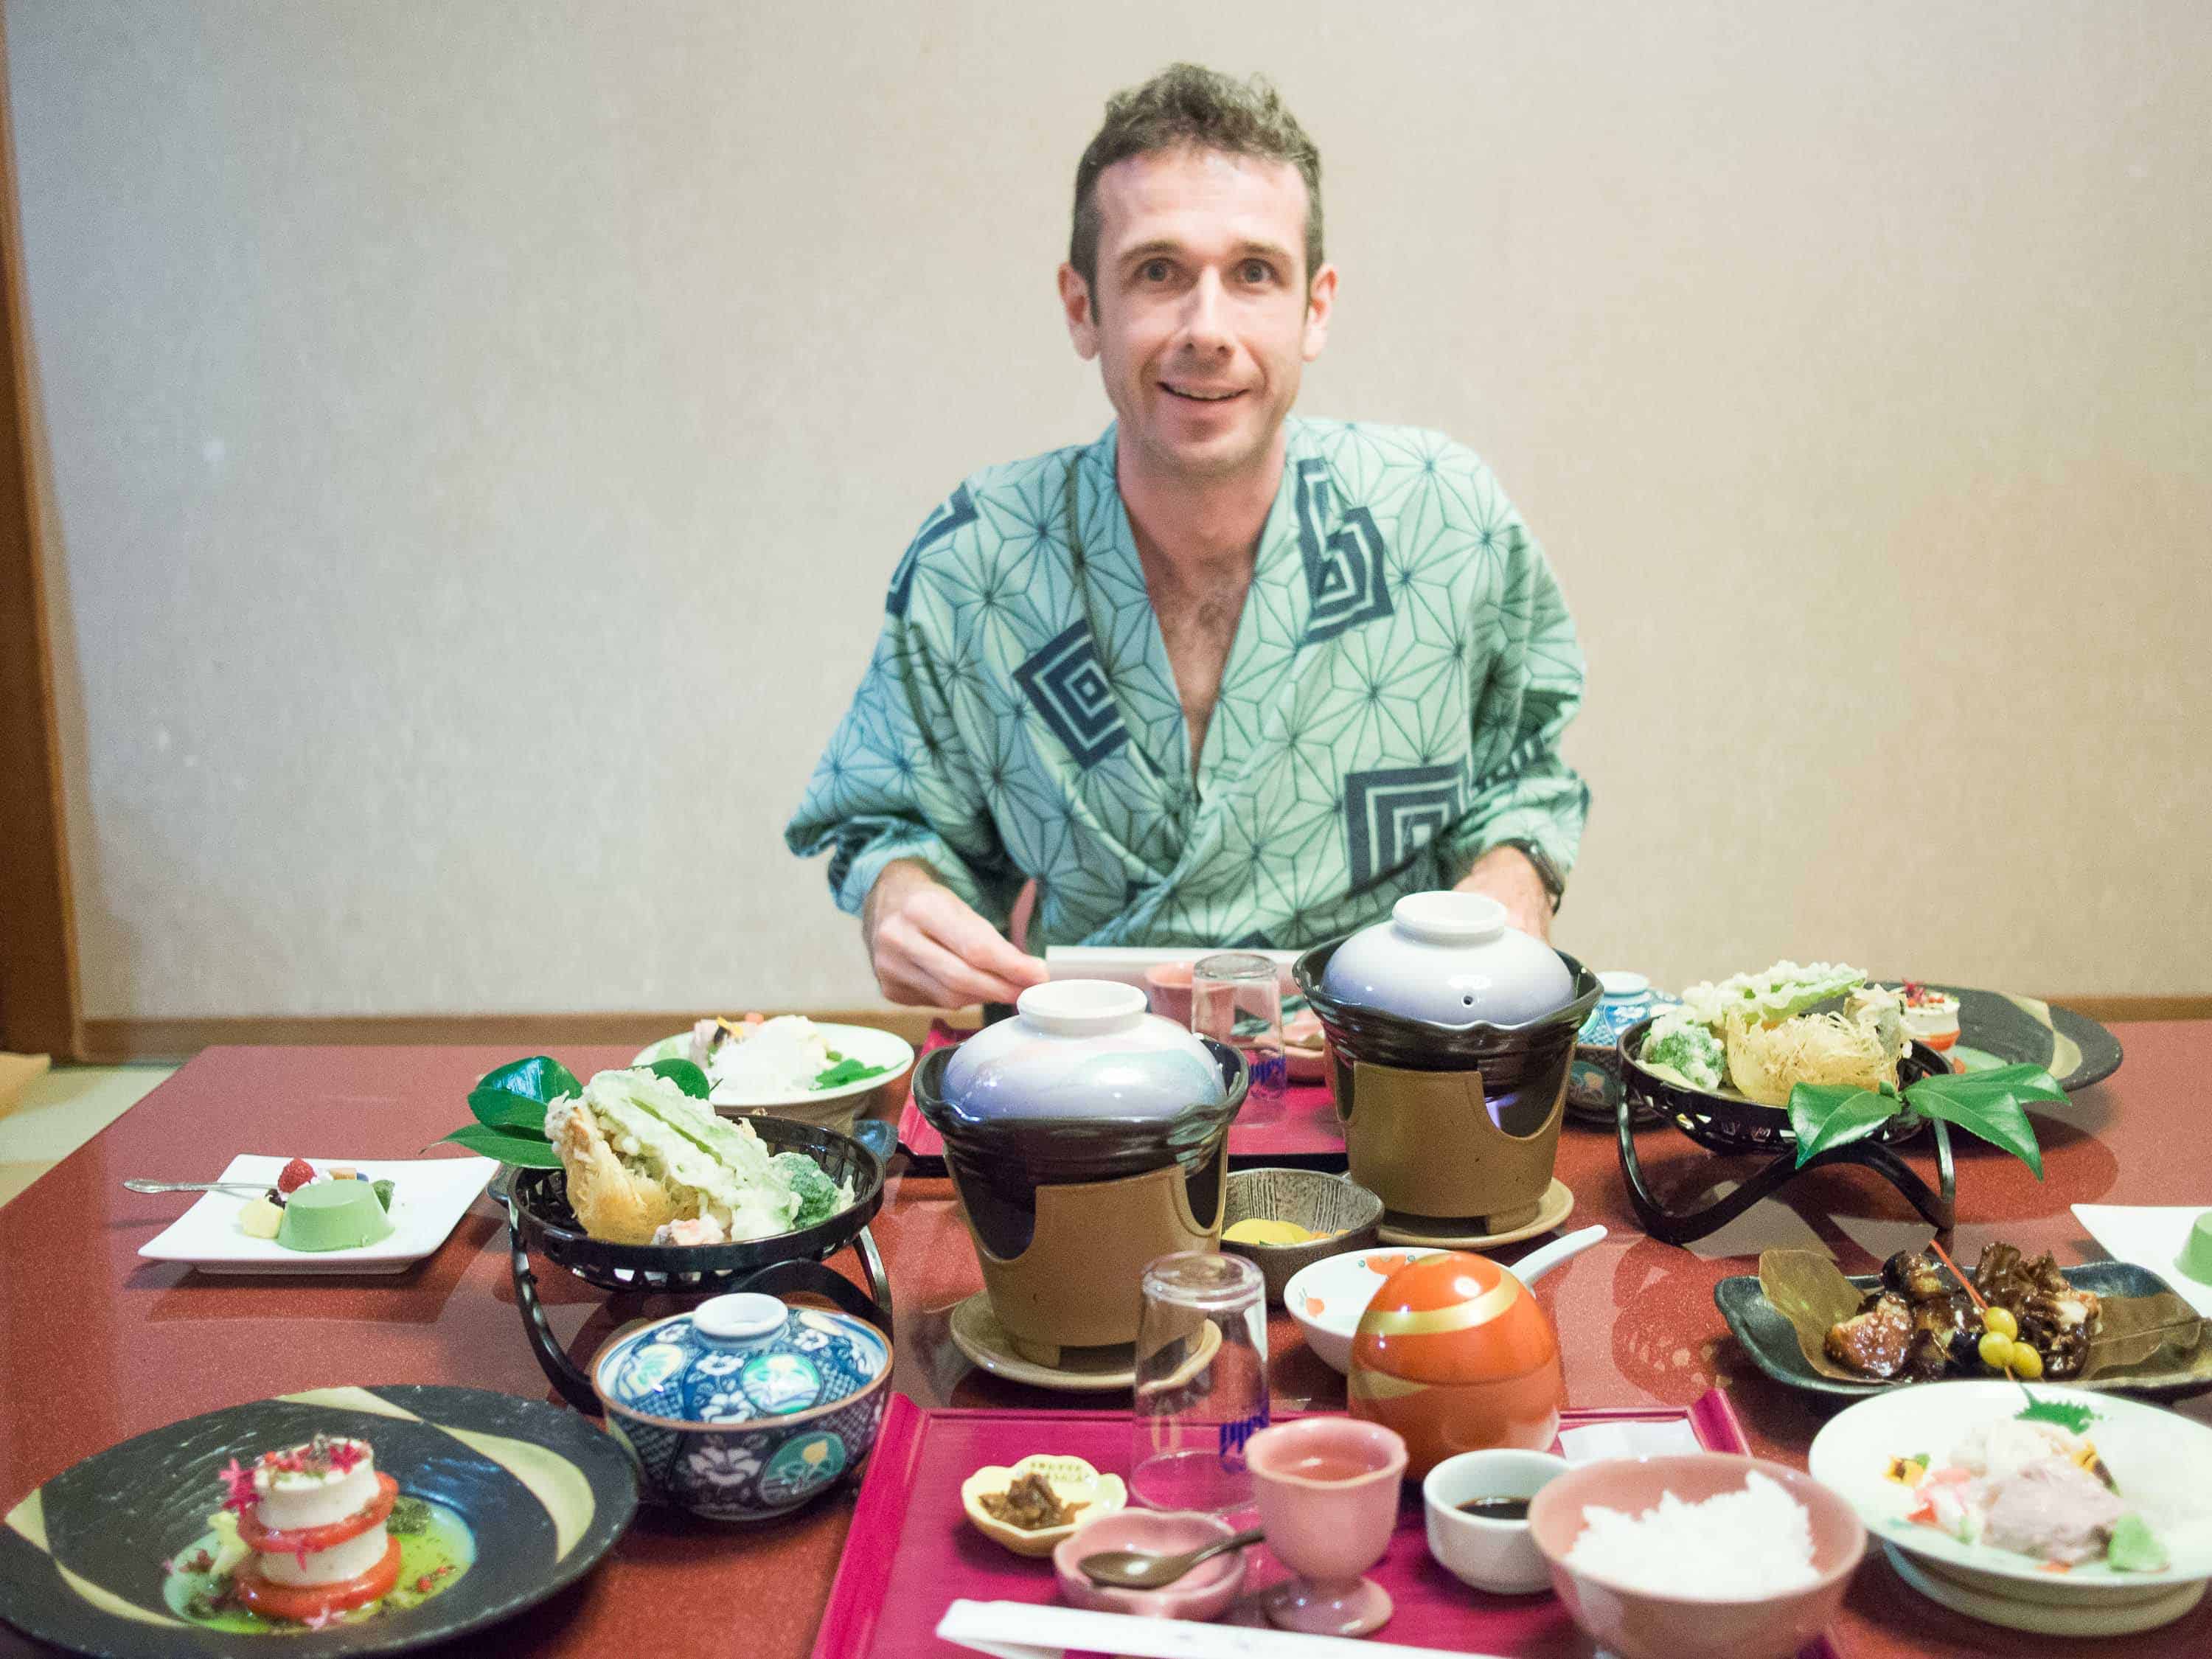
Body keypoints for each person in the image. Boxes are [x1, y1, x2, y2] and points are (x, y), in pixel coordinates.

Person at [787, 64, 1588, 1009]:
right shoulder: (981, 559)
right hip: (1083, 1087)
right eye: (1158, 272)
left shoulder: (1443, 520)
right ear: (1084, 306)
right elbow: (893, 820)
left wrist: (1516, 877)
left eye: (1254, 273)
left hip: (1385, 1078)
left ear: (1314, 307)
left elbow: (1524, 774)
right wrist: (900, 897)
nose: (1207, 329)